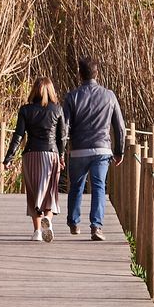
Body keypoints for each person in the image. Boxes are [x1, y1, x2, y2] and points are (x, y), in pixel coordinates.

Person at [60, 57, 127, 240]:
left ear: (79, 74)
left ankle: (74, 222)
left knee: (76, 186)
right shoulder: (109, 96)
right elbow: (120, 126)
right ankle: (96, 226)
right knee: (99, 186)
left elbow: (64, 127)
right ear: (97, 74)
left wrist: (61, 151)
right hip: (102, 149)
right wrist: (119, 150)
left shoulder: (72, 96)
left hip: (78, 149)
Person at [3, 76, 67, 242]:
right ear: (51, 90)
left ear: (34, 90)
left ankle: (37, 231)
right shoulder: (58, 110)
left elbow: (18, 135)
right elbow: (62, 137)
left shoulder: (25, 110)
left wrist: (9, 157)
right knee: (51, 192)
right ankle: (49, 220)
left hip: (31, 154)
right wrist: (61, 156)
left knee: (33, 193)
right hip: (51, 154)